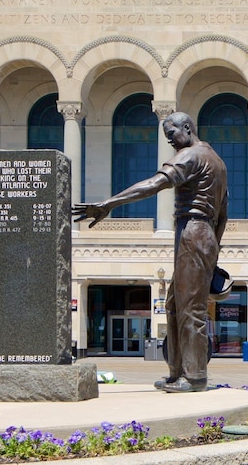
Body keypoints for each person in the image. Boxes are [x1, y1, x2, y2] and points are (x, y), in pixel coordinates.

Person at [73, 111, 227, 393]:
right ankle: (176, 372)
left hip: (193, 231)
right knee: (173, 305)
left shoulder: (193, 155)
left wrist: (109, 203)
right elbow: (223, 215)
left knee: (190, 309)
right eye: (166, 136)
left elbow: (156, 183)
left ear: (188, 128)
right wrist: (213, 249)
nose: (169, 140)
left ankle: (195, 377)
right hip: (200, 234)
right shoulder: (217, 160)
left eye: (172, 134)